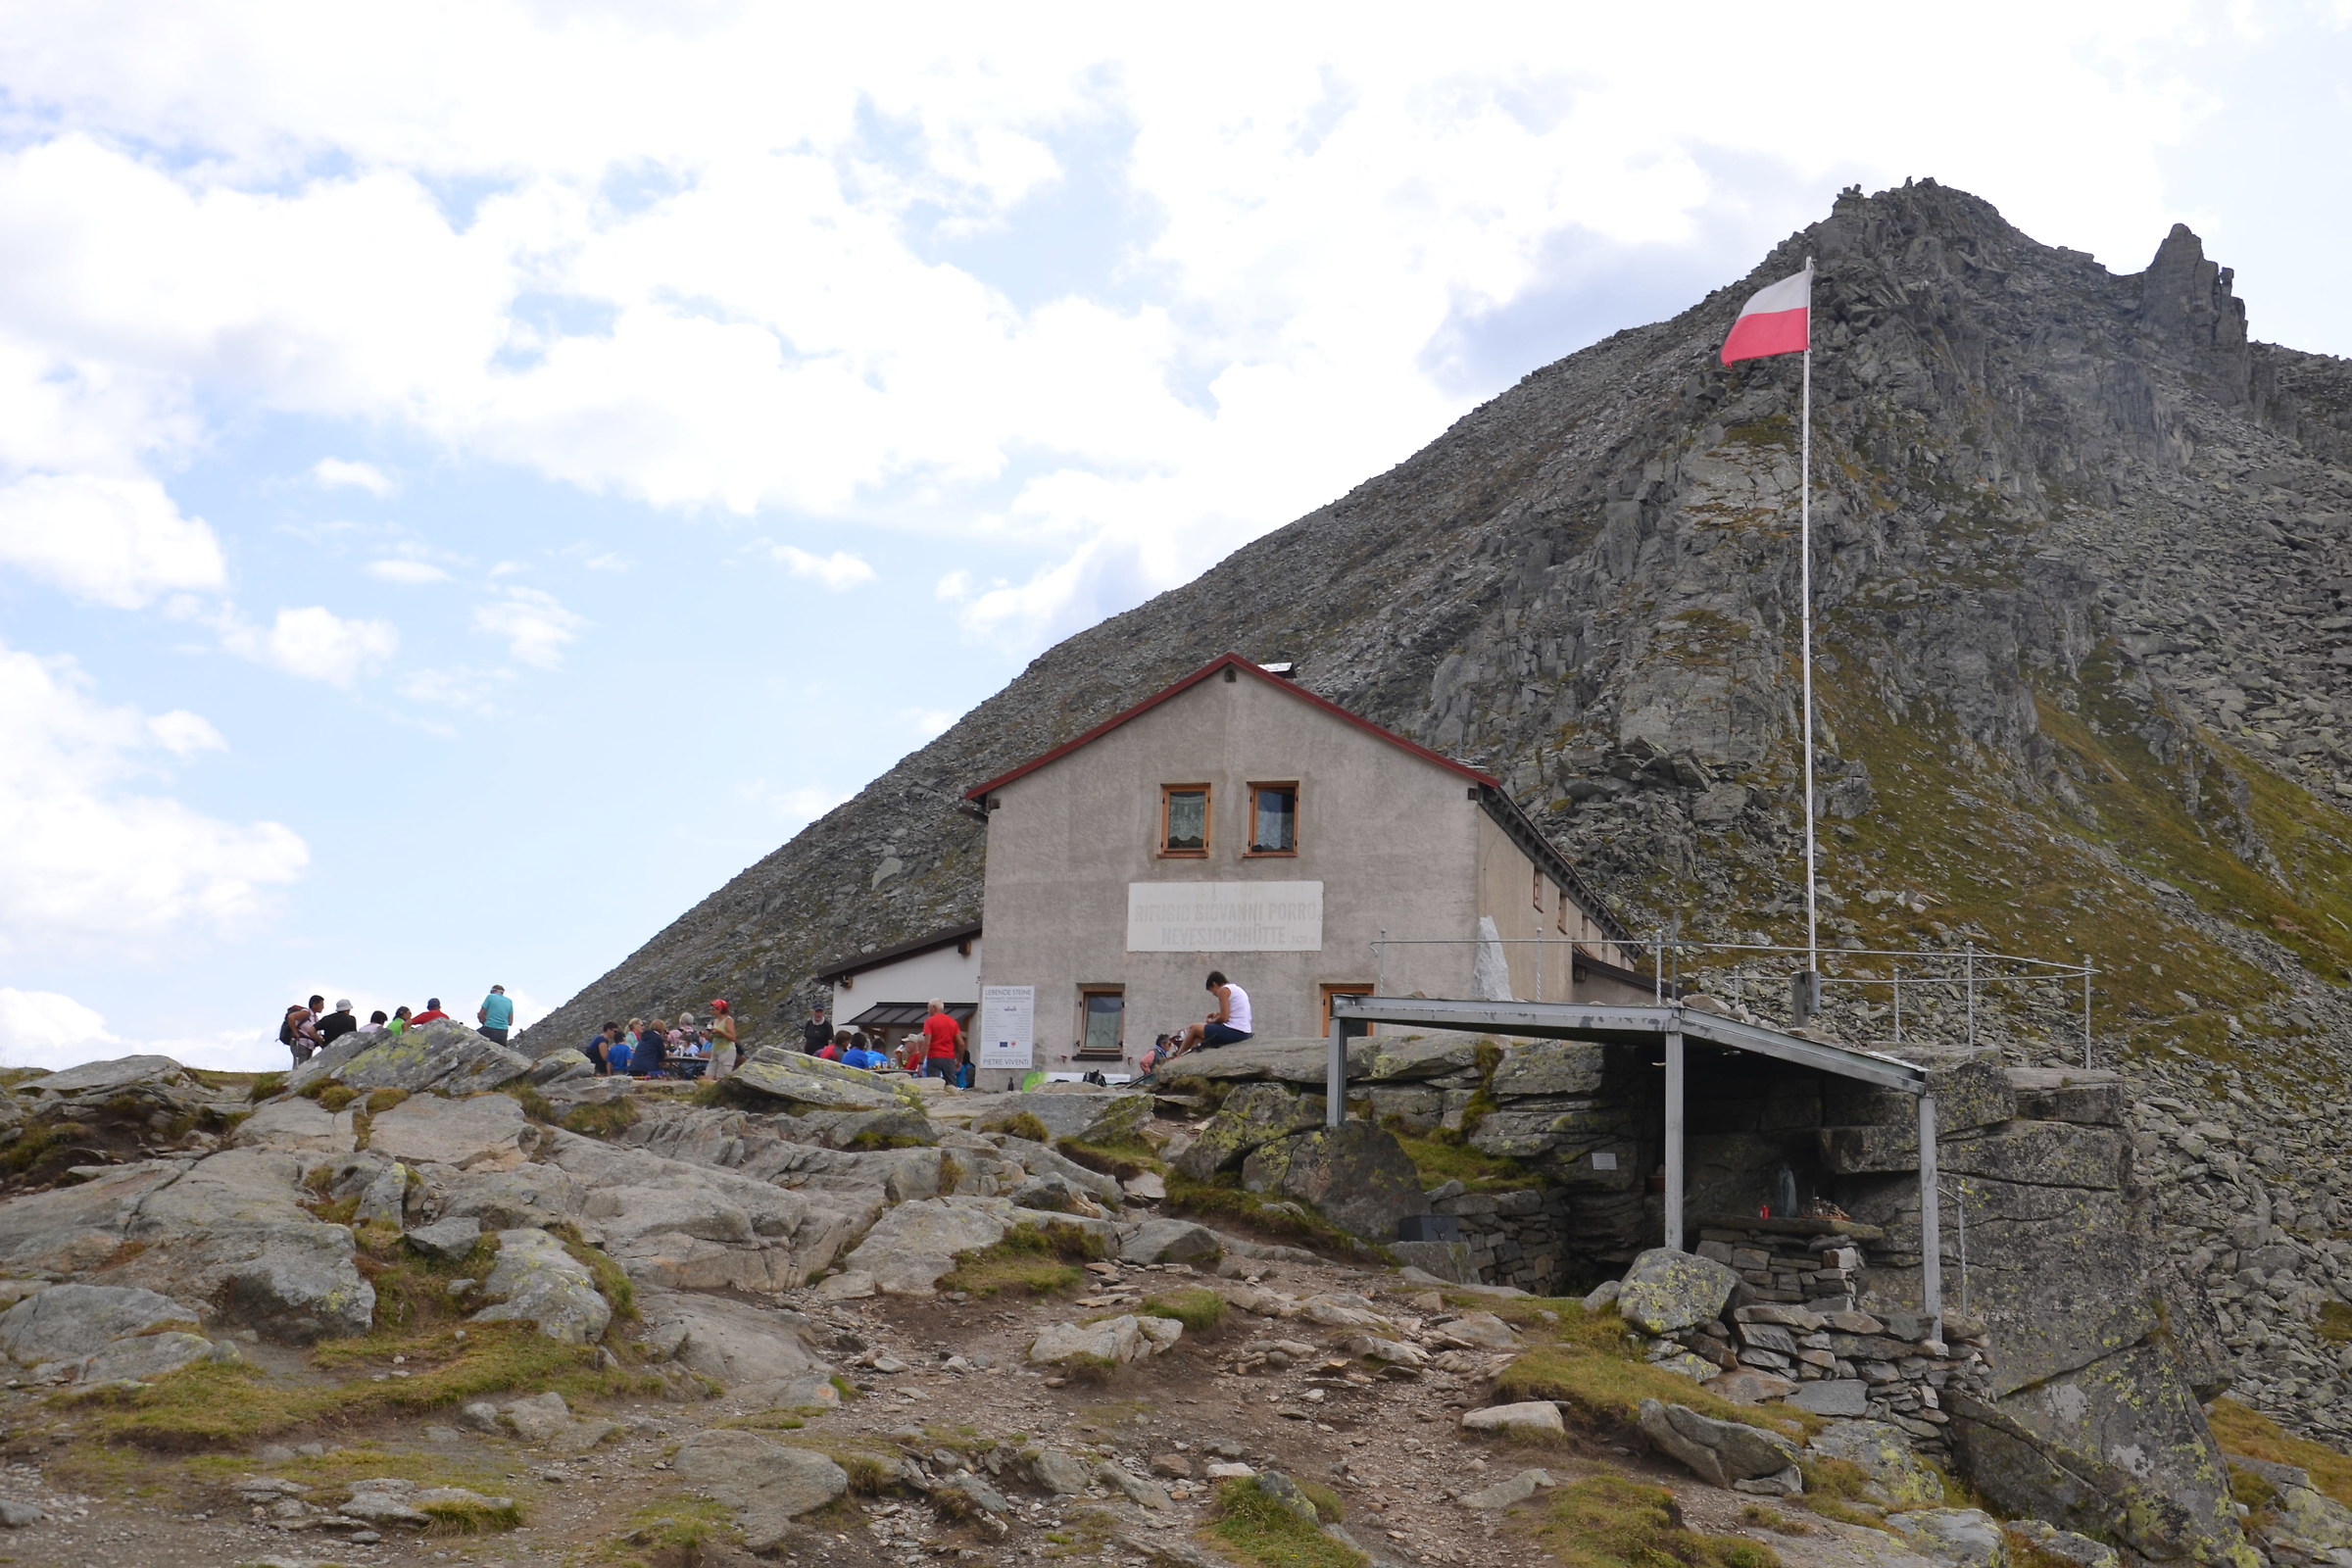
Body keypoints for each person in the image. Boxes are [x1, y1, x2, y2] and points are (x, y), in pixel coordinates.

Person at [1176, 971, 1252, 1054]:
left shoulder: (1223, 990)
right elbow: (1234, 1013)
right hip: (1244, 1032)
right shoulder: (1237, 989)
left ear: (1214, 984)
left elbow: (1224, 1018)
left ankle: (1179, 1055)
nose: (1213, 994)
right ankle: (1187, 1055)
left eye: (1211, 991)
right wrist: (1217, 1015)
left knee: (1193, 1028)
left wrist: (1211, 1022)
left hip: (1235, 1031)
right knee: (1198, 1038)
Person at [919, 999, 962, 1082]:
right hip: (949, 1057)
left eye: (929, 1008)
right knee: (951, 1083)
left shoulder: (929, 1021)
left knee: (934, 1083)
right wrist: (959, 1060)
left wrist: (921, 1062)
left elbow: (927, 1043)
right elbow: (961, 1043)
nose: (928, 1011)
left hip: (934, 1057)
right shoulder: (952, 1022)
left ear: (934, 1008)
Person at [707, 1000, 739, 1080]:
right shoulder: (715, 1021)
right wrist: (705, 1036)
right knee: (709, 1074)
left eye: (713, 1009)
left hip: (726, 1051)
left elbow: (733, 1037)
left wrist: (720, 1032)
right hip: (716, 1050)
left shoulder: (728, 1020)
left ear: (720, 1009)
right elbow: (713, 1039)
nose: (712, 1011)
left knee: (721, 1077)